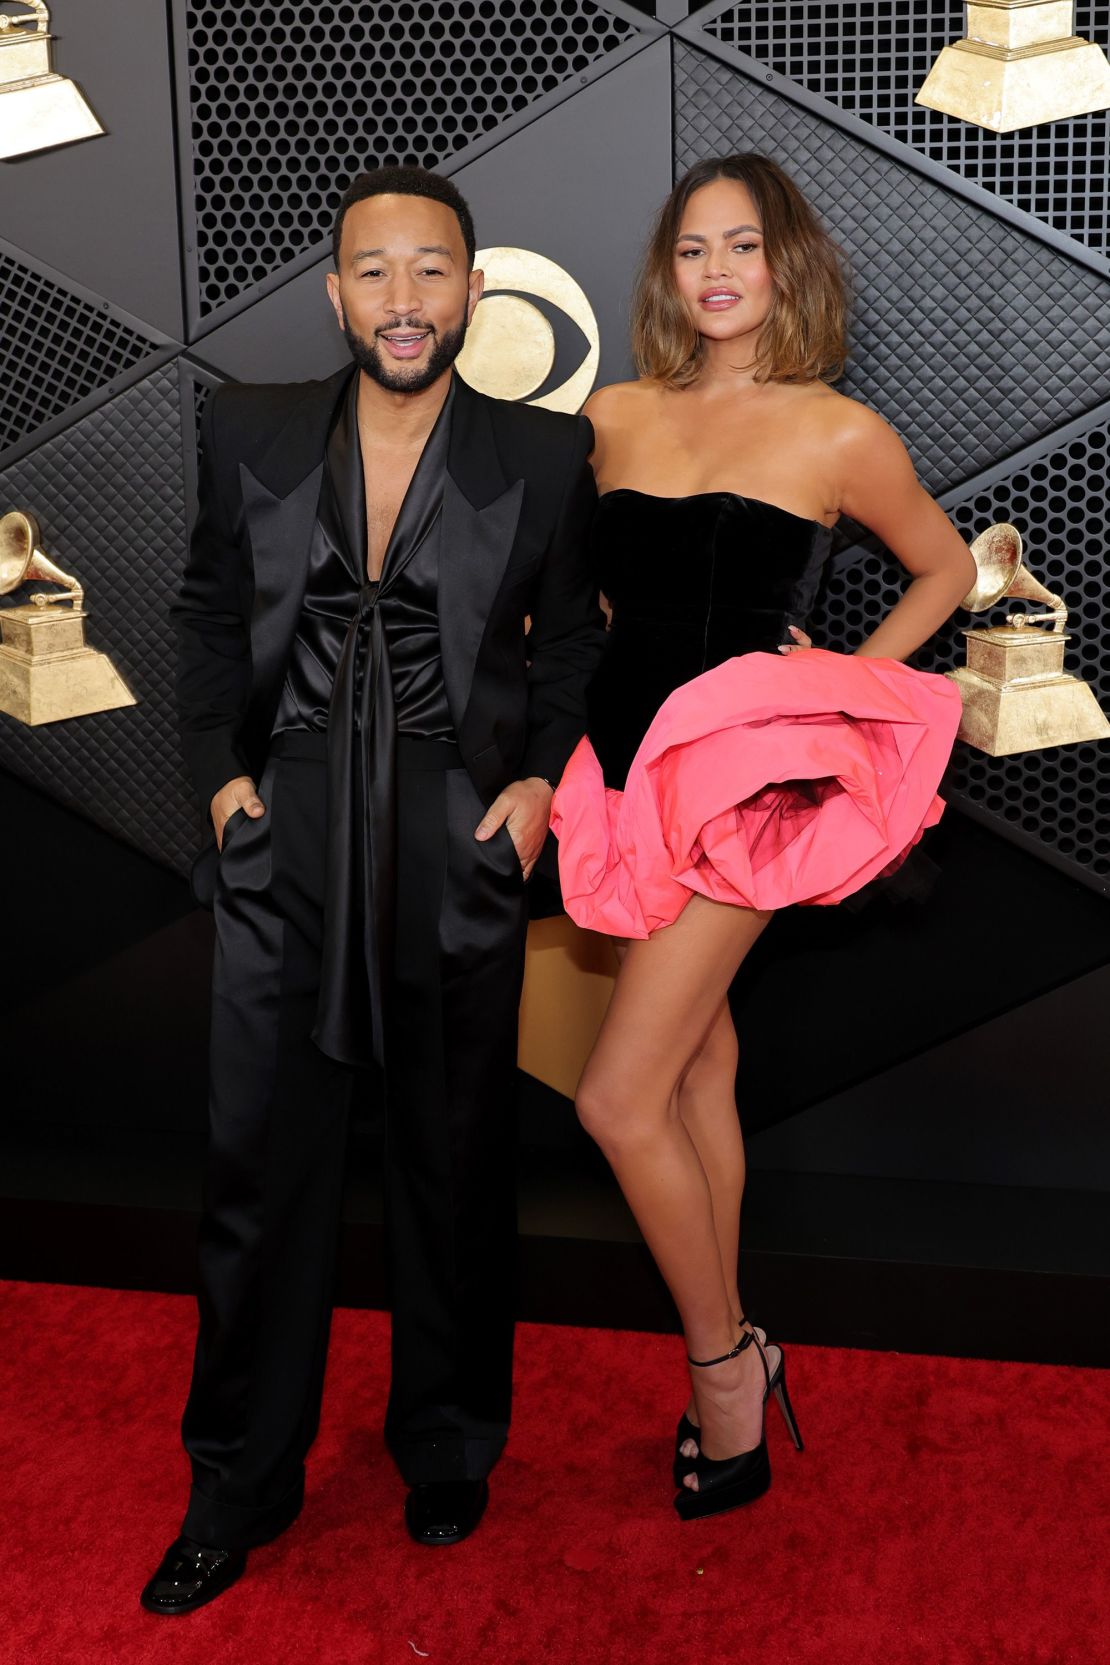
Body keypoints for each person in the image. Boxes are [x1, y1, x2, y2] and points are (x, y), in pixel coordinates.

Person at [141, 166, 604, 1614]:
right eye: (375, 272)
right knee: (258, 1171)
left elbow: (577, 641)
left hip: (450, 833)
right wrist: (222, 784)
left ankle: (448, 1441)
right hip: (286, 829)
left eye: (432, 270)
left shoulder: (542, 451)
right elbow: (209, 613)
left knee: (453, 1154)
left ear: (476, 287)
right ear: (335, 291)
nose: (404, 300)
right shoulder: (246, 424)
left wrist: (531, 789)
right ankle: (236, 1480)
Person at [550, 154, 974, 1522]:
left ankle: (723, 1364)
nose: (717, 269)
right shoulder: (610, 412)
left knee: (617, 1098)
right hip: (617, 766)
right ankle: (737, 1339)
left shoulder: (839, 431)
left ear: (787, 264)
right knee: (689, 1079)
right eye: (690, 248)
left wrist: (839, 676)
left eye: (743, 244)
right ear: (667, 273)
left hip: (735, 785)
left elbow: (946, 567)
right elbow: (593, 596)